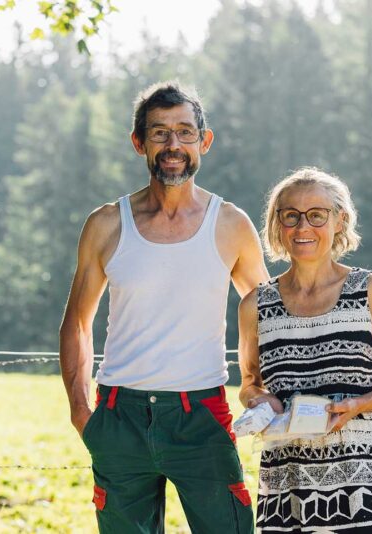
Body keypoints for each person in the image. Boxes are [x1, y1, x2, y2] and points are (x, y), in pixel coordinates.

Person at [59, 80, 269, 534]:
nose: (173, 144)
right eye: (159, 133)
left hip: (202, 415)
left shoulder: (230, 224)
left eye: (185, 132)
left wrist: (259, 386)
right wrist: (81, 411)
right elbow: (77, 322)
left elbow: (267, 315)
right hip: (119, 414)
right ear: (139, 143)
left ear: (204, 141)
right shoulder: (106, 224)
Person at [238, 167, 372, 533]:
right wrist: (260, 401)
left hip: (366, 486)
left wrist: (358, 405)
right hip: (289, 486)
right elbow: (250, 384)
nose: (302, 227)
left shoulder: (368, 291)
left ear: (340, 220)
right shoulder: (255, 306)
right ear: (277, 224)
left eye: (316, 215)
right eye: (290, 215)